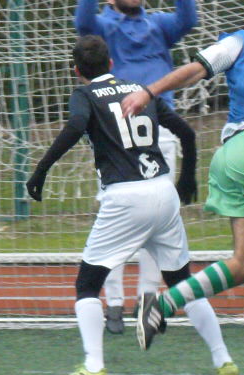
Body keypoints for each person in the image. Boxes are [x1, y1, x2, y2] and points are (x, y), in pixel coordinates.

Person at [26, 35, 238, 375]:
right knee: (183, 283)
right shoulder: (140, 90)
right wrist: (187, 178)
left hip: (125, 197)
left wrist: (41, 170)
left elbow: (76, 125)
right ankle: (224, 360)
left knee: (87, 285)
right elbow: (186, 133)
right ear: (111, 64)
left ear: (76, 71)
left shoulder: (84, 94)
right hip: (163, 192)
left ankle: (94, 367)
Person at [122, 0, 244, 363]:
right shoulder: (242, 40)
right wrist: (149, 92)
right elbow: (194, 70)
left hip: (233, 157)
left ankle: (161, 304)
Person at [75, 0, 198, 334]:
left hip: (161, 130)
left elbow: (189, 18)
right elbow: (83, 21)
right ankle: (114, 302)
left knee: (158, 224)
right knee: (112, 221)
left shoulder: (158, 25)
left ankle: (147, 300)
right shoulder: (105, 26)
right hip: (113, 134)